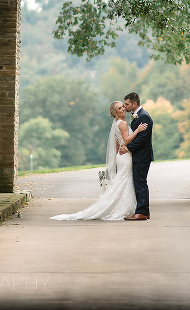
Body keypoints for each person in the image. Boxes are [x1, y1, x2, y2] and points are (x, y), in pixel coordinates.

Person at [50, 101, 147, 221]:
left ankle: (125, 207)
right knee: (124, 181)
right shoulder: (123, 123)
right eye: (119, 108)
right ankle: (124, 208)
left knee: (122, 181)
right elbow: (126, 140)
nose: (123, 109)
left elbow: (118, 142)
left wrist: (119, 153)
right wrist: (137, 130)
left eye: (123, 106)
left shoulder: (117, 123)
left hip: (121, 156)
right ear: (115, 112)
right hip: (125, 156)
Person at [120, 92, 154, 220]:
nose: (125, 106)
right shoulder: (138, 116)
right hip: (139, 156)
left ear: (134, 104)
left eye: (127, 104)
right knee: (140, 183)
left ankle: (141, 212)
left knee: (140, 183)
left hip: (142, 156)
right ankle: (144, 211)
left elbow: (142, 139)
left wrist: (127, 148)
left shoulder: (144, 117)